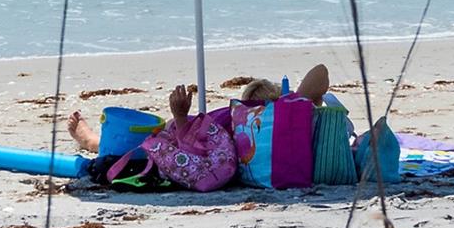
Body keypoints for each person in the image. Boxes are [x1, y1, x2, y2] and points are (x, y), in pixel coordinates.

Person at [65, 63, 337, 153]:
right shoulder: (287, 118)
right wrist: (298, 99)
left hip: (186, 134)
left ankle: (91, 141)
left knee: (145, 149)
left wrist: (298, 101)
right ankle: (91, 140)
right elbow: (321, 72)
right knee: (150, 144)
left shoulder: (289, 121)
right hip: (190, 134)